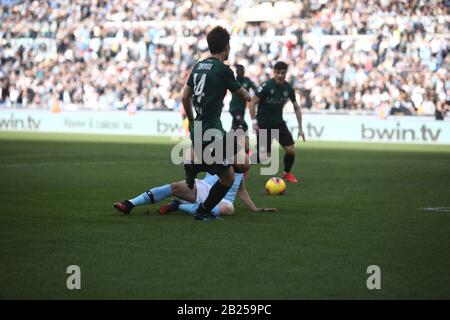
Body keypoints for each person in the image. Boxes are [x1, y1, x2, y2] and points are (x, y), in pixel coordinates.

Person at [181, 26, 251, 221]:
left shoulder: (197, 67)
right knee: (244, 163)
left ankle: (203, 211)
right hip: (214, 132)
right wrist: (248, 92)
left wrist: (191, 119)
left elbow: (185, 96)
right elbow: (245, 96)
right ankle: (197, 167)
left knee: (227, 176)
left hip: (198, 130)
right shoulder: (223, 70)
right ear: (226, 47)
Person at [113, 172, 277, 218]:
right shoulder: (218, 155)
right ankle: (129, 204)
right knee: (175, 186)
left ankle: (178, 206)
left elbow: (241, 190)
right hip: (203, 188)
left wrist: (254, 209)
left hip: (224, 200)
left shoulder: (242, 167)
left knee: (229, 209)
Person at [248, 61, 305, 183]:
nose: (280, 75)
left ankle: (287, 173)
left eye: (283, 72)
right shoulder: (266, 86)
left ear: (286, 73)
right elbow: (252, 102)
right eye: (277, 72)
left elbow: (296, 107)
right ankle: (242, 164)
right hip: (264, 125)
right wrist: (254, 121)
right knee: (264, 156)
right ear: (274, 72)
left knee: (290, 150)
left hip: (279, 124)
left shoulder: (288, 88)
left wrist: (300, 128)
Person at [229, 64, 257, 133]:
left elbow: (256, 89)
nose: (240, 72)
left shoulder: (247, 80)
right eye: (238, 70)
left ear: (244, 71)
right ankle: (243, 142)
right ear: (236, 71)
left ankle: (229, 142)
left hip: (242, 109)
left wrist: (254, 97)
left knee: (235, 126)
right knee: (244, 126)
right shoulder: (233, 80)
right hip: (234, 108)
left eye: (241, 70)